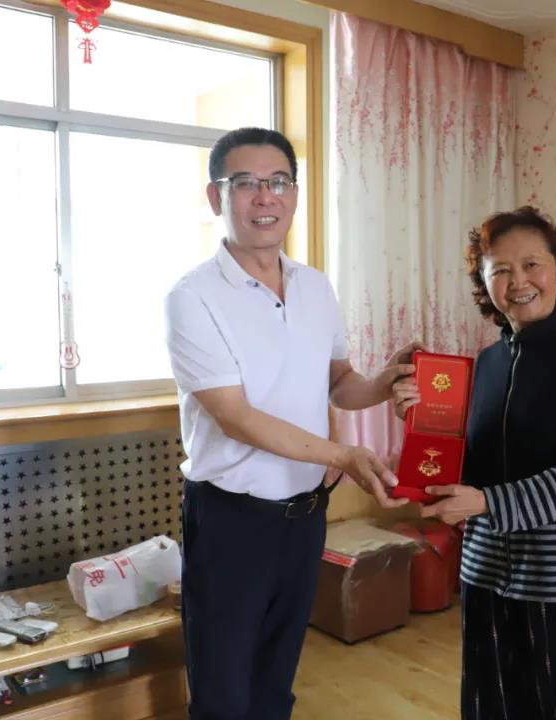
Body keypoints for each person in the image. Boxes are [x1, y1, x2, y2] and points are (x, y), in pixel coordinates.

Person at [165, 127, 416, 720]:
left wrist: (384, 382)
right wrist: (342, 455)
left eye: (278, 182)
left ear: (295, 195)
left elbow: (338, 380)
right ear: (216, 197)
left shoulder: (315, 287)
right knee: (224, 692)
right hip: (230, 521)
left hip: (304, 517)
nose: (265, 197)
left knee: (276, 681)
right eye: (245, 183)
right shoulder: (193, 297)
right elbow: (235, 418)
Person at [393, 206, 556, 719]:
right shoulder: (486, 363)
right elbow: (469, 464)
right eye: (500, 269)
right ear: (484, 283)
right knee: (493, 704)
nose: (518, 281)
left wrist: (485, 502)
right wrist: (418, 430)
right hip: (487, 573)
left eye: (531, 264)